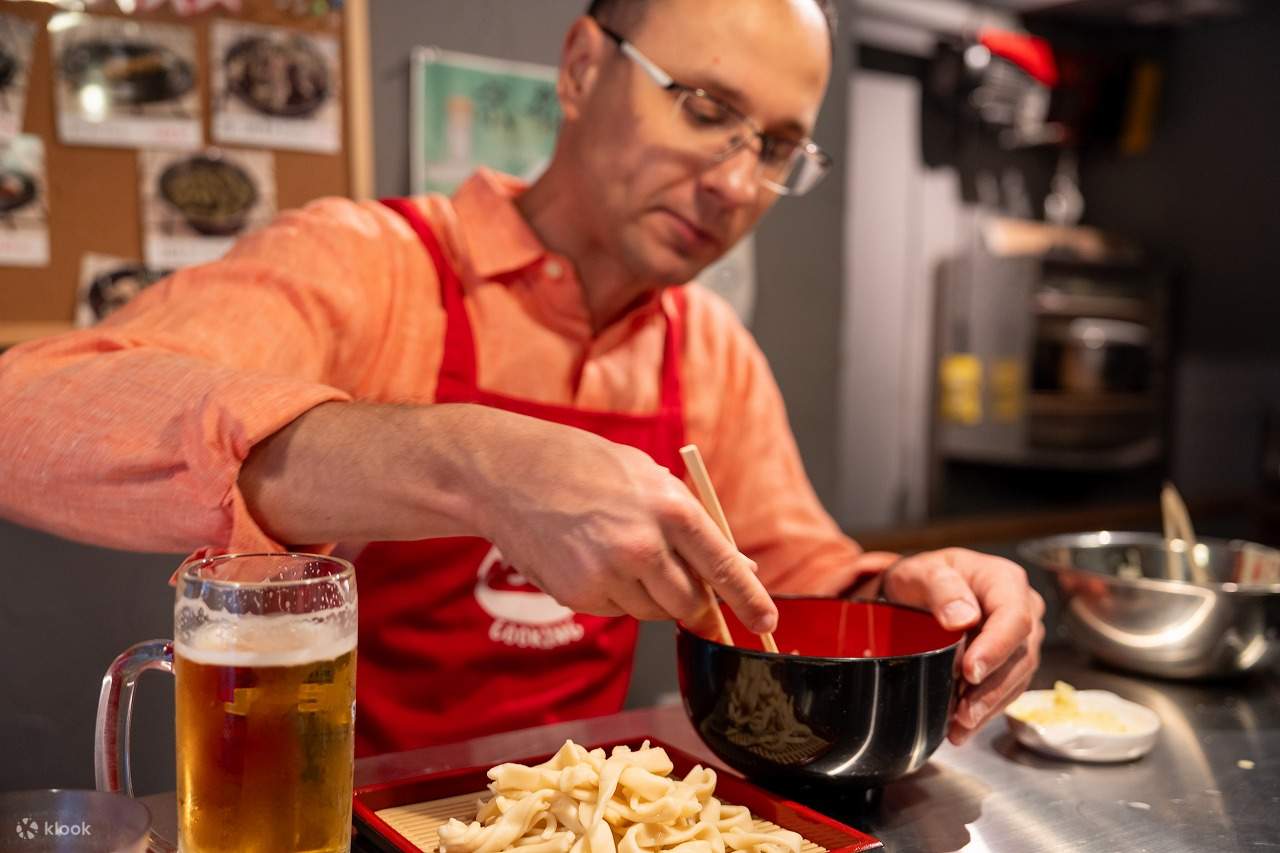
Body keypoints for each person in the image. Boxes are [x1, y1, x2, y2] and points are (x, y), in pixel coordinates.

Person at [0, 0, 1043, 756]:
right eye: (701, 106)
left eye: (773, 146)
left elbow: (780, 574)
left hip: (566, 819)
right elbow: (27, 410)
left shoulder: (708, 346)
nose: (732, 182)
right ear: (583, 66)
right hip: (342, 815)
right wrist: (467, 460)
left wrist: (892, 598)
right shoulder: (370, 265)